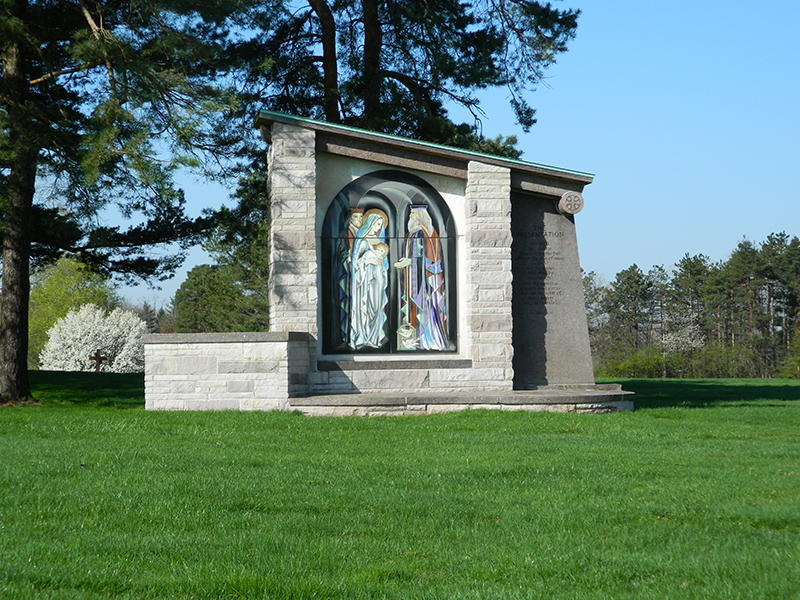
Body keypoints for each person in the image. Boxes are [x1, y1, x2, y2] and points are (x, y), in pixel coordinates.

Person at [394, 206, 448, 350]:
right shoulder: (424, 232)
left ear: (419, 216)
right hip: (424, 279)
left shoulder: (419, 233)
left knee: (424, 309)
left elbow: (422, 258)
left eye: (412, 214)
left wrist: (408, 262)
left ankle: (426, 340)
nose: (410, 217)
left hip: (423, 282)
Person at [349, 210, 389, 349]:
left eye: (381, 225)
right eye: (377, 224)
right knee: (365, 306)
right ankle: (363, 336)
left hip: (378, 280)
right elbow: (356, 262)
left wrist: (383, 269)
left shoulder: (380, 244)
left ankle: (374, 337)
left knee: (376, 307)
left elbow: (385, 264)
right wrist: (367, 260)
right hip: (365, 280)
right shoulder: (362, 241)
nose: (379, 228)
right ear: (370, 223)